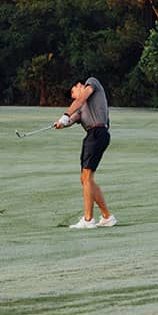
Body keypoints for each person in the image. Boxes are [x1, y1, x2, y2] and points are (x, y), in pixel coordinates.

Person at [54, 77, 117, 229]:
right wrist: (62, 123)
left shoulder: (92, 82)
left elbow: (81, 99)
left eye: (73, 92)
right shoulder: (81, 108)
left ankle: (88, 219)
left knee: (87, 177)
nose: (73, 96)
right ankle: (107, 217)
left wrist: (65, 115)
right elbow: (74, 118)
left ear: (79, 85)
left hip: (98, 132)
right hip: (91, 136)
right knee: (85, 178)